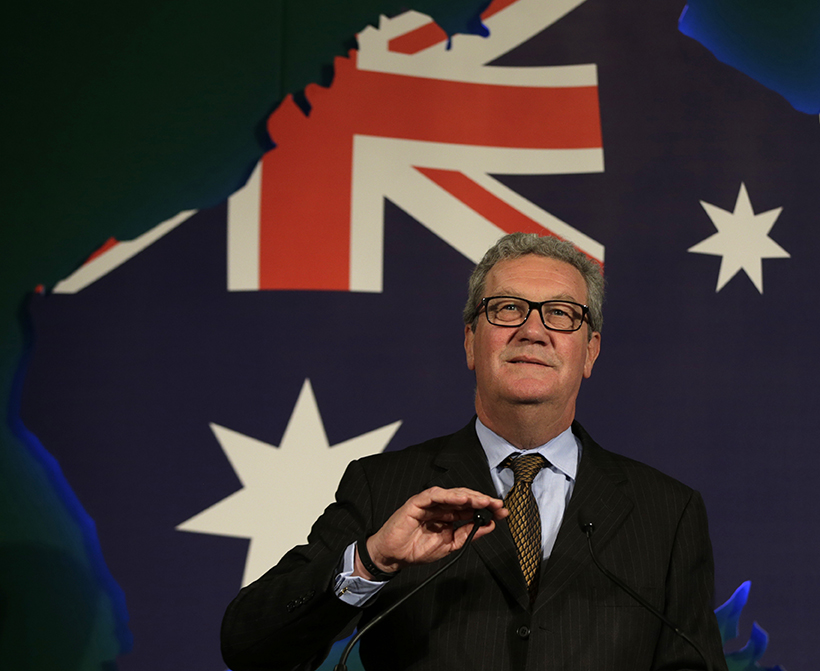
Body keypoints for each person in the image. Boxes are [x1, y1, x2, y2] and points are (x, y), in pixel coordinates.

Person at [221, 233, 727, 671]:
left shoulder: (667, 511)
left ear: (590, 351)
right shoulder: (383, 487)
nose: (533, 330)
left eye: (560, 313)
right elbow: (251, 648)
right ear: (470, 341)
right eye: (508, 309)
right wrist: (371, 562)